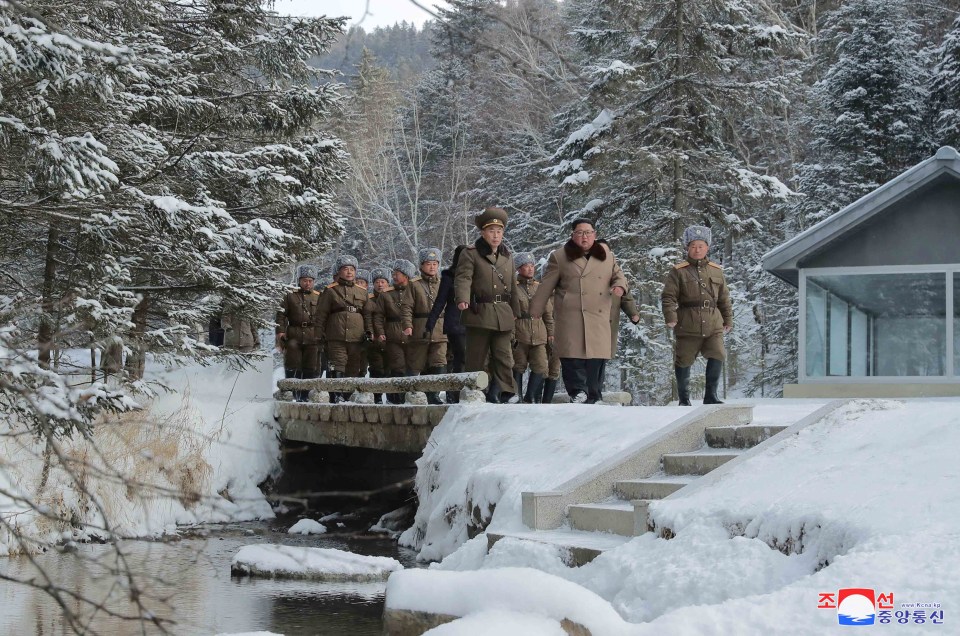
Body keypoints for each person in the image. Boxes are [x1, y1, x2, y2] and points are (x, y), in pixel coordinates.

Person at [530, 219, 628, 404]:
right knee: (571, 355)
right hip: (571, 313)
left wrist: (620, 287)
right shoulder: (560, 257)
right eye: (580, 232)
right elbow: (546, 285)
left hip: (598, 312)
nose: (584, 236)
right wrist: (536, 308)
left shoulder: (607, 255)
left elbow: (619, 275)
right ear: (573, 235)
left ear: (595, 235)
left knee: (596, 357)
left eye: (588, 232)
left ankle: (594, 394)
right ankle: (578, 392)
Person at [661, 225, 733, 405]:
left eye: (701, 245)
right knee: (684, 360)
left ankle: (711, 396)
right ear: (687, 247)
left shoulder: (716, 270)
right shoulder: (678, 271)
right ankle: (684, 399)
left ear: (707, 247)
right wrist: (670, 317)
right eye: (693, 245)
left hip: (713, 322)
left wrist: (728, 319)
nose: (697, 249)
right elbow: (668, 297)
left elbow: (724, 298)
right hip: (687, 323)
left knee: (718, 354)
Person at [455, 206, 521, 403]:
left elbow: (512, 286)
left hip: (502, 313)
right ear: (483, 233)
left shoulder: (507, 256)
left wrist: (516, 310)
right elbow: (463, 278)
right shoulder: (471, 253)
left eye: (499, 231)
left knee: (504, 355)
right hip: (479, 311)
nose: (495, 235)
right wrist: (462, 299)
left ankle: (506, 391)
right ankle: (474, 389)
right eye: (491, 231)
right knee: (477, 356)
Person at [315, 255, 370, 401]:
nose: (349, 272)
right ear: (339, 272)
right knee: (337, 365)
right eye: (345, 269)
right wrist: (318, 333)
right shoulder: (330, 291)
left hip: (356, 337)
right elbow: (321, 314)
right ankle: (336, 395)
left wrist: (369, 332)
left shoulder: (362, 292)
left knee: (353, 368)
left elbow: (368, 314)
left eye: (352, 269)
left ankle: (348, 396)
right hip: (336, 335)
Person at [407, 247, 448, 404]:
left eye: (435, 263)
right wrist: (408, 325)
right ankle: (413, 394)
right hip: (420, 328)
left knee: (439, 361)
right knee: (417, 363)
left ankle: (434, 395)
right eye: (429, 263)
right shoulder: (414, 284)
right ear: (421, 265)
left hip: (440, 328)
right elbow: (407, 307)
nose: (432, 267)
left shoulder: (444, 283)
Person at [426, 245, 467, 403]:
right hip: (454, 322)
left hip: (473, 322)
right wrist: (431, 322)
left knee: (471, 359)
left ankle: (467, 391)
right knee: (461, 357)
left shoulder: (476, 275)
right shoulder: (449, 276)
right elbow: (440, 301)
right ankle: (454, 394)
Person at [512, 252, 553, 403]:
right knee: (518, 366)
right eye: (526, 266)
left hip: (539, 332)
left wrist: (551, 333)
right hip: (520, 333)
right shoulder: (513, 288)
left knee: (541, 366)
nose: (530, 269)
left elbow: (548, 313)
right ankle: (517, 397)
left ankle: (530, 396)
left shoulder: (540, 288)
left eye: (531, 266)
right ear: (518, 268)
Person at [276, 264, 321, 401]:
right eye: (304, 280)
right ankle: (291, 393)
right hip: (294, 333)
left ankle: (305, 395)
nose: (307, 283)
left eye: (310, 281)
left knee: (310, 366)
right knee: (292, 364)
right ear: (299, 280)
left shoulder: (319, 296)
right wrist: (281, 332)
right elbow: (281, 315)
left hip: (312, 335)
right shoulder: (290, 296)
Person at [373, 259, 416, 404]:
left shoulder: (415, 290)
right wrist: (380, 332)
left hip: (413, 336)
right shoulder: (386, 294)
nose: (394, 276)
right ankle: (396, 398)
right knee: (397, 366)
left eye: (397, 273)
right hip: (393, 335)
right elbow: (378, 315)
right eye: (393, 273)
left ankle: (411, 396)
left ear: (406, 275)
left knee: (412, 366)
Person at [366, 268, 392, 404]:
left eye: (383, 282)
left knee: (390, 369)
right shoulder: (369, 300)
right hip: (375, 340)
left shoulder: (392, 297)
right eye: (377, 282)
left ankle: (390, 397)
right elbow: (368, 318)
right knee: (377, 369)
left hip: (391, 339)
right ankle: (376, 397)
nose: (380, 285)